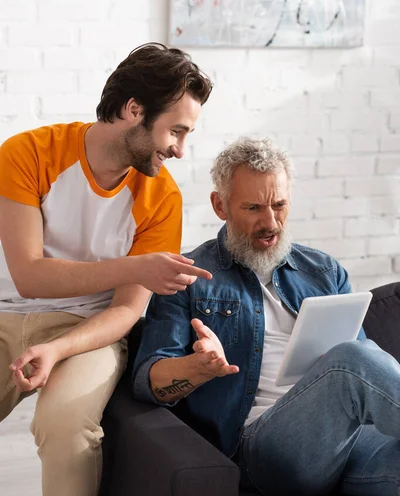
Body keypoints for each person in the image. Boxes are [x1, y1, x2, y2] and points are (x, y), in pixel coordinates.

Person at [0, 42, 213, 496]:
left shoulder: (162, 198)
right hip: (5, 315)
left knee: (65, 425)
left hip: (89, 331)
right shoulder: (28, 154)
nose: (179, 149)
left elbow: (126, 311)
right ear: (135, 109)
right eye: (176, 131)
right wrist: (135, 266)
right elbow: (29, 276)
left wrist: (58, 349)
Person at [133, 137, 400, 496]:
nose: (270, 222)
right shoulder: (189, 278)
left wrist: (331, 369)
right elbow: (148, 382)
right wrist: (197, 369)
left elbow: (372, 371)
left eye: (279, 205)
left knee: (354, 361)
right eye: (254, 208)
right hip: (266, 449)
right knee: (350, 360)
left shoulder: (322, 270)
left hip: (349, 441)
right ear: (220, 205)